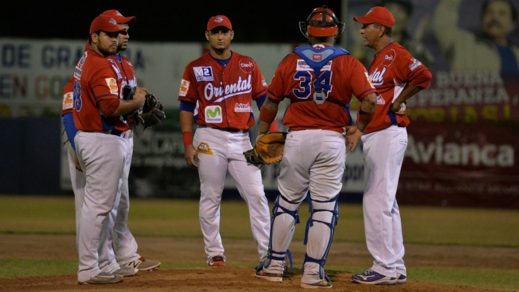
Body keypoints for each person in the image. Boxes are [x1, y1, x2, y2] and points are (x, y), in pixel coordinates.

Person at [254, 6, 378, 288]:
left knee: (286, 204)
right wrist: (360, 126)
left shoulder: (291, 59)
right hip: (331, 139)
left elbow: (271, 102)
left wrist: (263, 135)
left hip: (297, 137)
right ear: (336, 31)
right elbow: (370, 100)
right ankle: (312, 273)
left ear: (308, 30)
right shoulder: (349, 62)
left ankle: (274, 265)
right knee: (323, 208)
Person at [177, 15, 271, 267]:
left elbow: (265, 101)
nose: (220, 36)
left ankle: (268, 253)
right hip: (209, 137)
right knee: (211, 195)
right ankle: (214, 252)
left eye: (224, 31)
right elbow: (186, 107)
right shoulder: (195, 68)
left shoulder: (248, 65)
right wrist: (188, 142)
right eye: (215, 31)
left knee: (257, 195)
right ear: (207, 36)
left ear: (232, 34)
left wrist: (269, 134)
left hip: (242, 139)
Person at [350, 6, 432, 285]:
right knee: (386, 201)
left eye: (367, 25)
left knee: (376, 200)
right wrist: (359, 130)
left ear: (381, 29)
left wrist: (400, 100)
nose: (361, 29)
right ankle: (395, 265)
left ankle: (383, 266)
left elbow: (423, 76)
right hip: (377, 132)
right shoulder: (377, 61)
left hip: (388, 132)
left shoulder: (396, 54)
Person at [72, 14, 146, 284]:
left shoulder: (93, 59)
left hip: (99, 137)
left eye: (118, 35)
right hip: (99, 138)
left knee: (106, 205)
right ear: (94, 37)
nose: (116, 40)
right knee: (98, 207)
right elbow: (111, 108)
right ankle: (88, 268)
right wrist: (138, 101)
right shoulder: (99, 65)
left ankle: (106, 262)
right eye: (110, 35)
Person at [432, 0, 519, 75]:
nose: (494, 17)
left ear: (513, 24)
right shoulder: (462, 43)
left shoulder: (516, 55)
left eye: (502, 13)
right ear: (482, 20)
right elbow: (442, 25)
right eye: (489, 12)